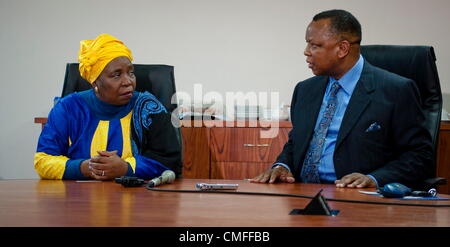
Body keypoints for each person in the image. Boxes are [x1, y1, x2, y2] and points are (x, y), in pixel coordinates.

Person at [250, 9, 433, 188]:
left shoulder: (396, 90)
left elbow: (419, 156)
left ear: (342, 48)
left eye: (315, 46)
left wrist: (374, 178)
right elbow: (295, 144)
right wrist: (283, 166)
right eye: (308, 44)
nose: (306, 52)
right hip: (301, 194)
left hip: (357, 200)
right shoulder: (305, 90)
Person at [34, 34, 181, 180]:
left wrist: (125, 168)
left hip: (137, 198)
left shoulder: (149, 108)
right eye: (116, 75)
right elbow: (43, 160)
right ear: (95, 83)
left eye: (131, 73)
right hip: (77, 199)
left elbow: (170, 161)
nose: (128, 81)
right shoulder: (67, 109)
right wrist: (85, 167)